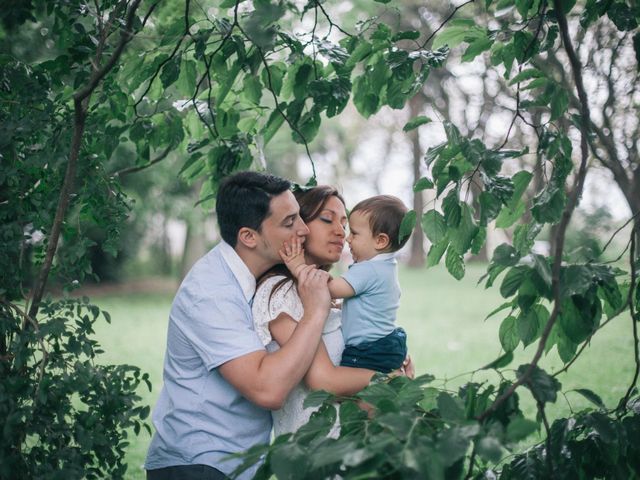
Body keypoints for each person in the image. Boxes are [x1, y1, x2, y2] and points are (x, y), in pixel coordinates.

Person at [144, 172, 332, 480]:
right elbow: (267, 389)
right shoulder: (211, 293)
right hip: (197, 466)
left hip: (238, 466)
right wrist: (315, 311)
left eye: (300, 217)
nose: (303, 230)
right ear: (249, 237)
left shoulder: (263, 277)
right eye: (289, 223)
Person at [252, 187, 411, 436]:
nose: (341, 232)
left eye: (345, 224)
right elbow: (324, 381)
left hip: (358, 446)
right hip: (320, 448)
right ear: (298, 226)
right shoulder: (282, 295)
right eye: (327, 219)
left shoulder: (335, 292)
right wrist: (390, 378)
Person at [281, 194, 410, 374]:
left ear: (381, 241)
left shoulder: (368, 269)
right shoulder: (386, 267)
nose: (346, 238)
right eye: (327, 219)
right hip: (387, 343)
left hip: (367, 351)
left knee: (351, 392)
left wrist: (298, 266)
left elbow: (324, 290)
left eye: (354, 233)